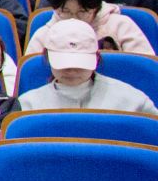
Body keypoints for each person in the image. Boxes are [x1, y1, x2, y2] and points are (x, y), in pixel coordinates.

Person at [14, 19, 158, 116]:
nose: (72, 71)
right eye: (63, 64)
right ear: (47, 57)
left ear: (96, 58)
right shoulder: (28, 105)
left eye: (80, 64)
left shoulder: (132, 101)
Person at [30, 0, 153, 59]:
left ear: (96, 7)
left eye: (82, 12)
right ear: (55, 8)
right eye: (65, 12)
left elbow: (144, 70)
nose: (74, 19)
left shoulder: (122, 26)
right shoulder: (44, 35)